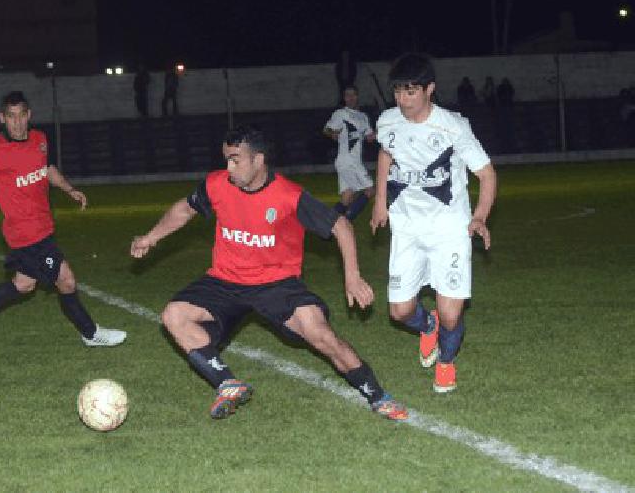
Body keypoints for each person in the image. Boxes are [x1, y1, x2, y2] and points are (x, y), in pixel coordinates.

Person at [131, 125, 407, 421]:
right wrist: (150, 237)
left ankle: (378, 396)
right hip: (224, 280)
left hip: (277, 284)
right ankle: (227, 384)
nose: (229, 168)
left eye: (236, 160)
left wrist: (352, 276)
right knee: (174, 315)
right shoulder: (216, 184)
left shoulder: (288, 196)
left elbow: (341, 225)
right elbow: (184, 210)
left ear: (259, 160)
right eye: (226, 159)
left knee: (320, 334)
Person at [0, 91, 126, 347]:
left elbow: (47, 168)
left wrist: (69, 189)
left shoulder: (40, 139)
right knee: (66, 280)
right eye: (11, 117)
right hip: (26, 235)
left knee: (24, 284)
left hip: (43, 228)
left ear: (29, 115)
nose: (17, 123)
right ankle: (91, 333)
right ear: (2, 118)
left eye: (21, 116)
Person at [370, 53, 497, 393]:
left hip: (449, 230)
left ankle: (445, 363)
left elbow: (486, 173)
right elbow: (386, 154)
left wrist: (479, 217)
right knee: (399, 311)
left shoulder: (453, 126)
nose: (403, 100)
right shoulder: (387, 121)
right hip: (407, 228)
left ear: (430, 90)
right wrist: (380, 202)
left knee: (452, 314)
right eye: (398, 91)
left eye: (410, 91)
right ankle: (428, 326)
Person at [323, 85, 376, 221]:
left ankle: (327, 221)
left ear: (357, 96)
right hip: (348, 161)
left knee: (347, 197)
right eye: (348, 95)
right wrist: (333, 134)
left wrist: (385, 131)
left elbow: (369, 137)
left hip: (351, 161)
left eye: (353, 95)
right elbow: (327, 129)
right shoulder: (341, 113)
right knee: (370, 190)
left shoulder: (363, 117)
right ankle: (345, 221)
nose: (351, 98)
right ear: (344, 98)